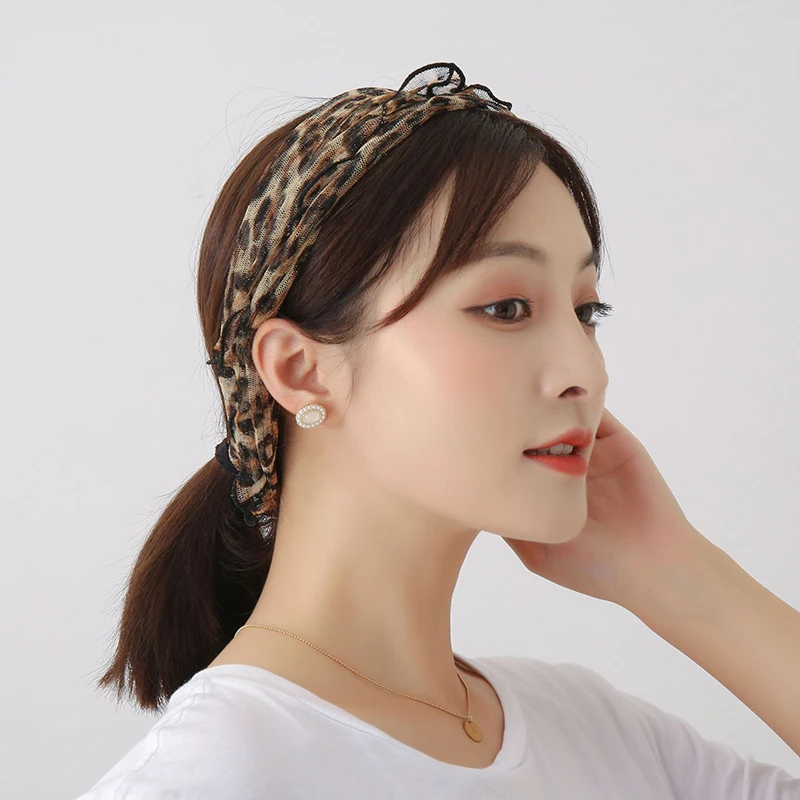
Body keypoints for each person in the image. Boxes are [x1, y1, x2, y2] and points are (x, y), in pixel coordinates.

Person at [76, 62, 800, 798]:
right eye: (507, 308)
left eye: (587, 311)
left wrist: (679, 576)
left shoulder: (598, 731)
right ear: (300, 370)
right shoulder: (211, 779)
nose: (586, 370)